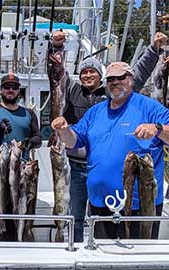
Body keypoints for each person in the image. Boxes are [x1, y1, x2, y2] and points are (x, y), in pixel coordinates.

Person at [49, 31, 168, 242]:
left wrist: (158, 129)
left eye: (120, 78)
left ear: (130, 79)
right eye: (111, 79)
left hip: (141, 205)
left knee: (138, 258)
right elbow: (74, 140)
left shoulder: (150, 108)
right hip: (100, 203)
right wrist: (64, 129)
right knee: (103, 257)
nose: (115, 82)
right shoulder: (95, 112)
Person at [0, 73, 42, 241]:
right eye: (7, 87)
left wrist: (29, 142)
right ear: (1, 90)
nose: (10, 90)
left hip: (23, 174)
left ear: (19, 91)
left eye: (14, 87)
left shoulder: (29, 113)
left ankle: (21, 243)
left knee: (20, 210)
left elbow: (38, 139)